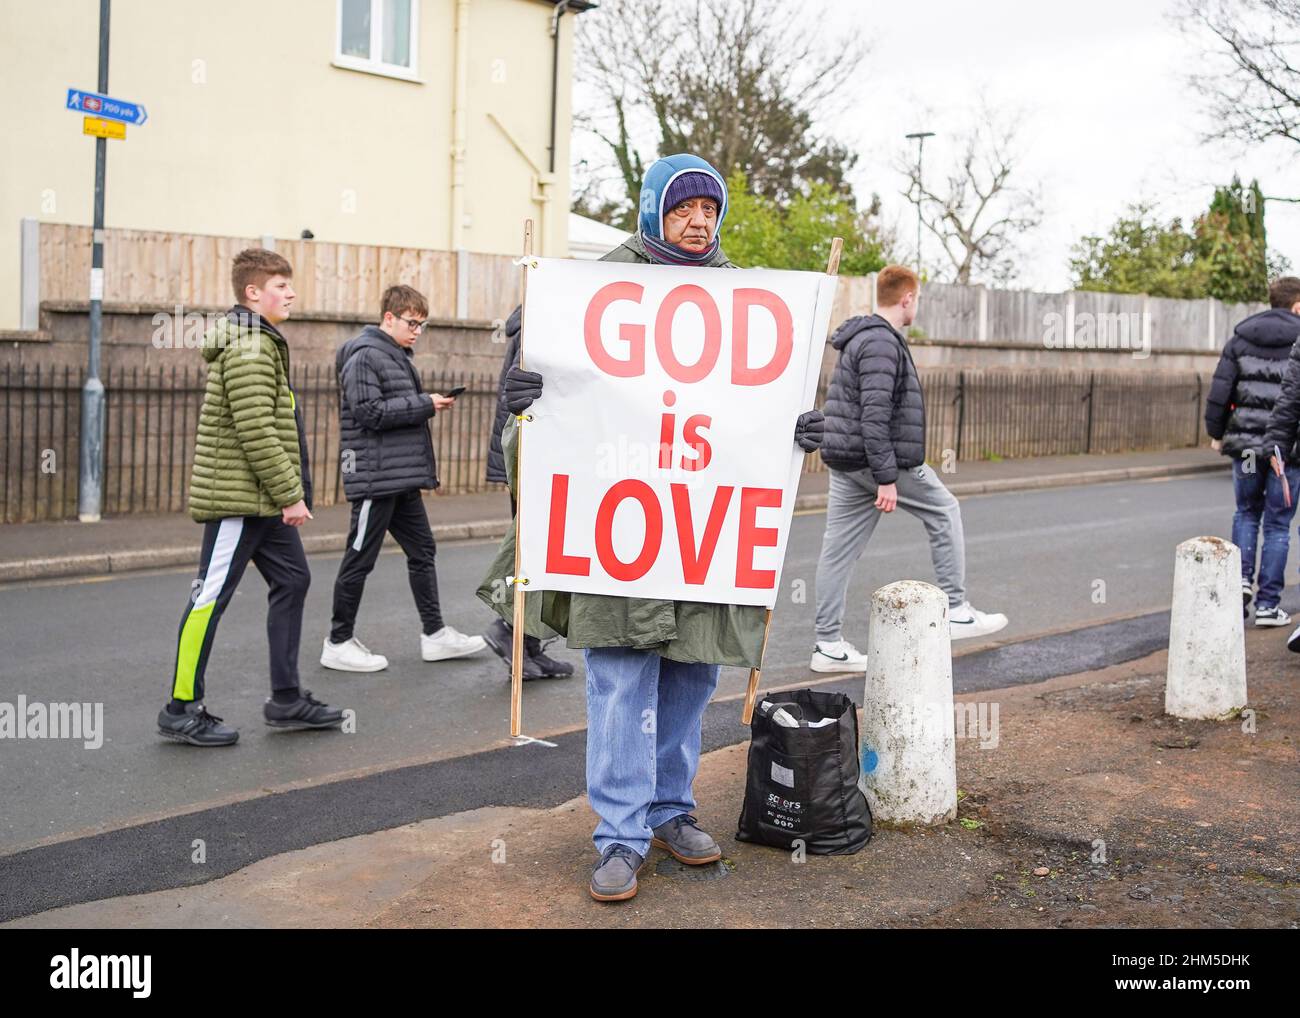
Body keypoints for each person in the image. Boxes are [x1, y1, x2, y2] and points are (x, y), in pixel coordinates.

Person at [477, 153, 824, 901]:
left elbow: (749, 417)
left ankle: (671, 809)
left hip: (702, 532)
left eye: (709, 210)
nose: (698, 222)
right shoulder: (591, 293)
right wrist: (523, 408)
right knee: (619, 684)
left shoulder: (745, 301)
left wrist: (792, 432)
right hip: (621, 535)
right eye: (681, 209)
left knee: (691, 677)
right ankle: (619, 835)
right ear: (652, 211)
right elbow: (545, 440)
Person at [158, 248, 345, 746]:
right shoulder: (249, 346)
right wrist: (291, 494)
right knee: (209, 598)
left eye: (290, 285)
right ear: (253, 293)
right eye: (281, 286)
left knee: (294, 580)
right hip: (241, 501)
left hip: (260, 501)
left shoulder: (261, 341)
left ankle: (286, 699)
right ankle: (180, 708)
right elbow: (256, 429)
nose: (291, 293)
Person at [810, 264, 1007, 672]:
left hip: (847, 461)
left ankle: (827, 645)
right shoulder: (882, 343)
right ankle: (956, 609)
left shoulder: (860, 337)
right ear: (908, 298)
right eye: (918, 299)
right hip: (881, 462)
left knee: (837, 552)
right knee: (945, 509)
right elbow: (875, 414)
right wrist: (886, 478)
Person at [321, 285, 487, 671]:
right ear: (389, 318)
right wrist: (424, 403)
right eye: (412, 322)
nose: (417, 330)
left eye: (422, 324)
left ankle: (435, 635)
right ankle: (338, 640)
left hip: (400, 478)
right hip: (375, 479)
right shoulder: (364, 356)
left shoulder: (394, 356)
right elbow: (368, 412)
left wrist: (425, 402)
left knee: (423, 551)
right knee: (359, 559)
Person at [481, 305, 576, 680]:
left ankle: (528, 644)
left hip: (534, 453)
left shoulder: (539, 319)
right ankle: (506, 630)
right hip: (532, 456)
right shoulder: (540, 323)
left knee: (540, 554)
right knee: (535, 555)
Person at [1207, 276, 1300, 628]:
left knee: (1246, 512)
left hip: (1245, 446)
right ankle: (1267, 605)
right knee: (1278, 524)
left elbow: (1220, 390)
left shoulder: (1241, 338)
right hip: (1286, 449)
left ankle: (1240, 582)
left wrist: (1216, 433)